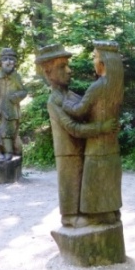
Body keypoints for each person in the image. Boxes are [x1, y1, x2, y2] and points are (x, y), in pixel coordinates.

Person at [35, 43, 119, 228]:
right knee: (70, 183)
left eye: (68, 65)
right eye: (62, 67)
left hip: (83, 150)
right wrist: (101, 127)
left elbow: (85, 111)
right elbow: (73, 128)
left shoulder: (70, 95)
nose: (69, 70)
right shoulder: (54, 100)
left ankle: (95, 212)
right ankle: (69, 216)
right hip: (68, 152)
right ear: (48, 72)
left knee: (83, 185)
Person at [63, 40, 124, 226]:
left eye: (95, 57)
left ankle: (98, 215)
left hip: (97, 144)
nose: (93, 61)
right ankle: (112, 211)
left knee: (95, 179)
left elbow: (79, 110)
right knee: (109, 177)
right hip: (111, 144)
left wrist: (65, 102)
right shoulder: (116, 85)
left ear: (103, 62)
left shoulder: (98, 86)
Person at [0, 48, 27, 160]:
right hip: (3, 107)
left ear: (15, 62)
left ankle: (13, 151)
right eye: (5, 59)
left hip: (13, 108)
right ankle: (8, 152)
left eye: (11, 59)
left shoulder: (16, 76)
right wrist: (2, 102)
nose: (8, 62)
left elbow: (24, 91)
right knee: (5, 130)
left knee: (12, 131)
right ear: (0, 62)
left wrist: (15, 97)